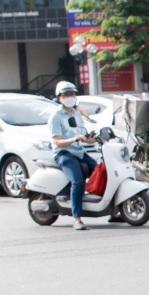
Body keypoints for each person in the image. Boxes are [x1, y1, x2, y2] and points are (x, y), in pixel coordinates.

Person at [49, 81, 97, 231]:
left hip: (78, 151)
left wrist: (97, 137)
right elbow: (57, 142)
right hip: (64, 153)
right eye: (66, 95)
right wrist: (73, 139)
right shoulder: (55, 116)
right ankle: (77, 219)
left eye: (72, 94)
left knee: (100, 170)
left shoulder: (76, 113)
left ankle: (112, 210)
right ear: (59, 97)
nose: (70, 97)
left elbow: (83, 136)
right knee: (77, 181)